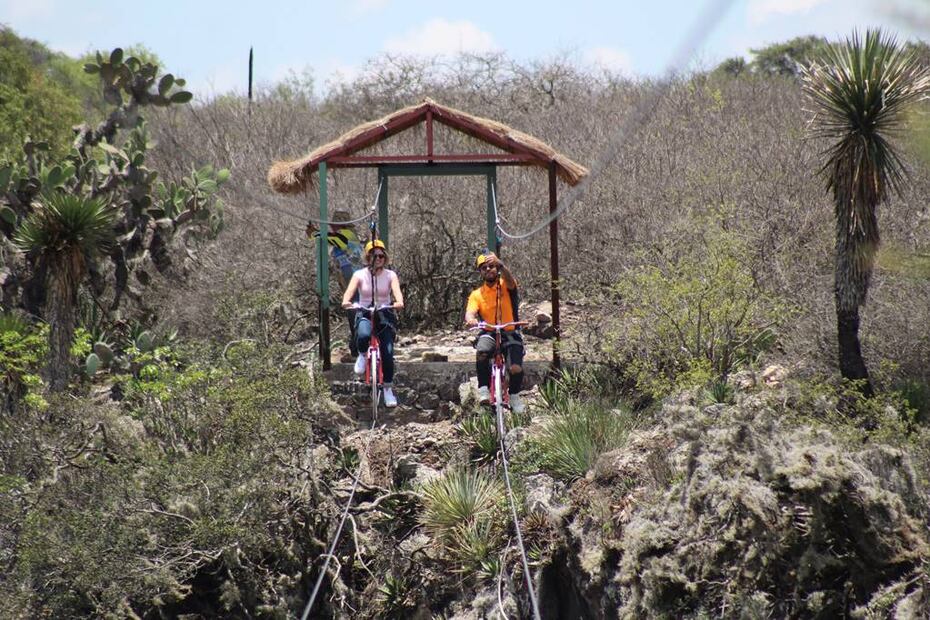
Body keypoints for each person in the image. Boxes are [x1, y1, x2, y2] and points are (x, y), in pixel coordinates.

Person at [342, 239, 404, 408]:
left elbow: (398, 296)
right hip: (365, 310)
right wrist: (348, 302)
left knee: (388, 351)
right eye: (375, 255)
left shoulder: (390, 275)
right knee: (362, 334)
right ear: (368, 257)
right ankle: (362, 354)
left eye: (381, 255)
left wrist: (397, 303)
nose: (379, 258)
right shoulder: (359, 275)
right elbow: (348, 295)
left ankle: (388, 389)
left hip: (384, 313)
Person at [464, 251, 526, 414]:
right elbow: (470, 311)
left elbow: (512, 281)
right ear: (480, 272)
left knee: (515, 367)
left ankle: (514, 396)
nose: (489, 269)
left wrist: (502, 265)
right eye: (484, 268)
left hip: (510, 331)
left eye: (492, 266)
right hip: (489, 331)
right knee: (482, 352)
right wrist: (471, 319)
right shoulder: (477, 294)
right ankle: (483, 388)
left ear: (497, 268)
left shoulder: (506, 285)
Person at [307, 210, 364, 357]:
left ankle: (358, 346)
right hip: (349, 284)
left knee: (355, 313)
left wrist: (315, 234)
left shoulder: (347, 235)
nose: (333, 227)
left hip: (357, 283)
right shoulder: (344, 236)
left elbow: (333, 239)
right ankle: (357, 345)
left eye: (334, 225)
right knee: (353, 314)